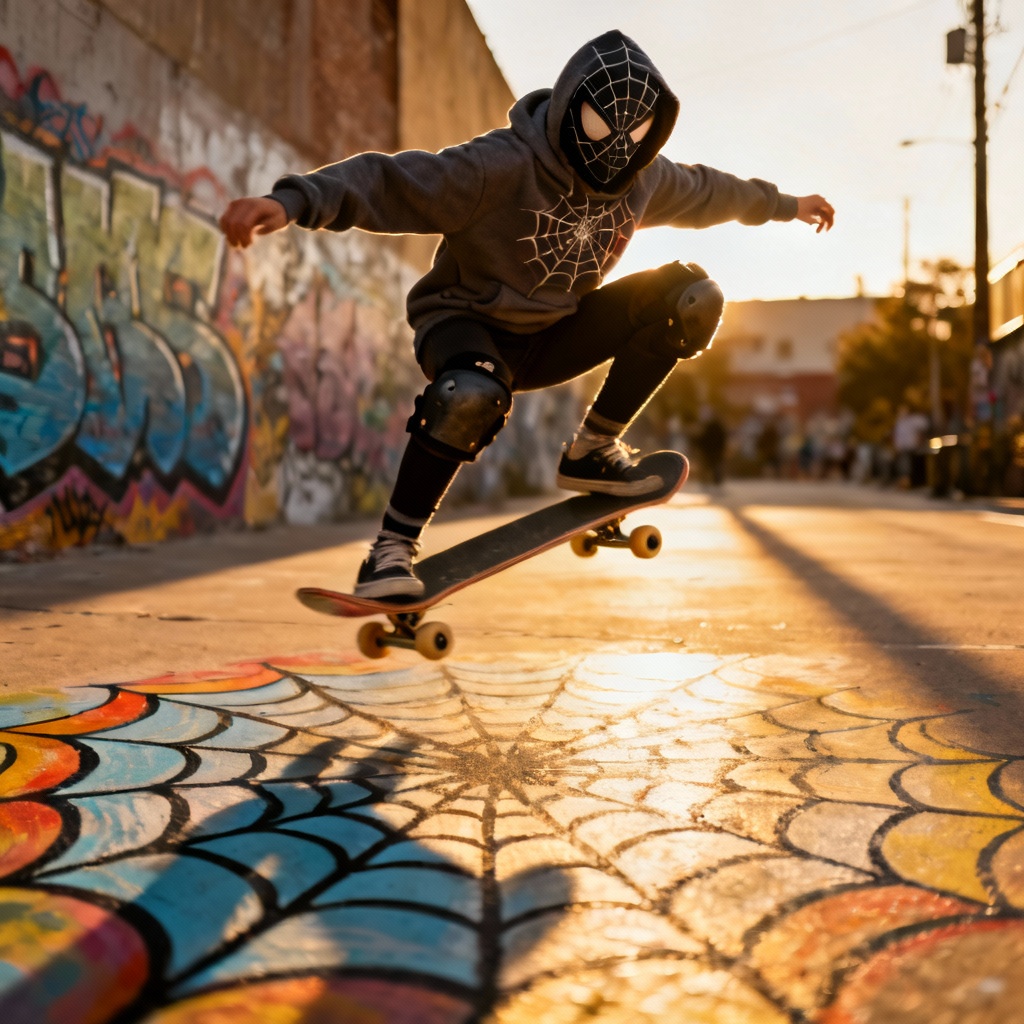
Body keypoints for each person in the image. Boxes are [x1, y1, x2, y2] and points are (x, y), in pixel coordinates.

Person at [220, 30, 834, 599]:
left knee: (690, 296)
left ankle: (593, 449)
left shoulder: (645, 178)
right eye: (601, 128)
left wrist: (786, 204)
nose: (616, 150)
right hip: (464, 324)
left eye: (635, 135)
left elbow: (711, 189)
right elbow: (392, 181)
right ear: (570, 114)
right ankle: (391, 549)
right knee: (470, 393)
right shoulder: (498, 166)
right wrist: (292, 201)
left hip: (552, 333)